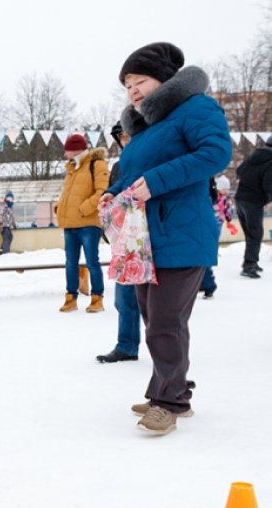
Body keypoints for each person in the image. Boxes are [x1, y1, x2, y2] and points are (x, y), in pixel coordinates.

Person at [100, 42, 232, 434]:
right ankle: (169, 387)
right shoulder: (146, 129)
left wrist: (153, 183)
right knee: (154, 318)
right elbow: (136, 173)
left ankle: (169, 401)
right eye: (127, 85)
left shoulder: (197, 108)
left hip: (181, 232)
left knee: (165, 321)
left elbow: (215, 153)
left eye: (140, 80)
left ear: (165, 79)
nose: (133, 90)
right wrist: (117, 188)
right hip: (146, 240)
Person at [96, 123, 140, 363]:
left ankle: (167, 353)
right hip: (125, 238)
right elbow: (115, 195)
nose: (126, 140)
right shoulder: (119, 165)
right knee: (124, 297)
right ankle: (126, 345)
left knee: (158, 303)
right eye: (122, 137)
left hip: (152, 235)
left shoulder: (153, 158)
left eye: (129, 135)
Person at [56, 133, 109, 313]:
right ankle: (70, 298)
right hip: (70, 224)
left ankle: (97, 298)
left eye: (67, 151)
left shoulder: (97, 164)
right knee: (70, 262)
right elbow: (68, 193)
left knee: (92, 262)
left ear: (75, 150)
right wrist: (59, 207)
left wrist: (84, 208)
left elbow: (102, 191)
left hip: (88, 223)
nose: (65, 155)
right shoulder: (72, 167)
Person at [234, 135, 272, 278]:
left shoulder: (253, 157)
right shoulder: (270, 162)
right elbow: (269, 184)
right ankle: (249, 265)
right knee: (255, 234)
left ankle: (251, 263)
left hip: (240, 199)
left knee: (251, 234)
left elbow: (239, 171)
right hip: (253, 202)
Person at [200, 175, 236, 297]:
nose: (225, 190)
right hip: (208, 222)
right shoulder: (212, 197)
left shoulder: (225, 199)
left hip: (216, 223)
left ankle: (207, 284)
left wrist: (229, 221)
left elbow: (228, 211)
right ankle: (204, 283)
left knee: (207, 248)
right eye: (223, 188)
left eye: (227, 188)